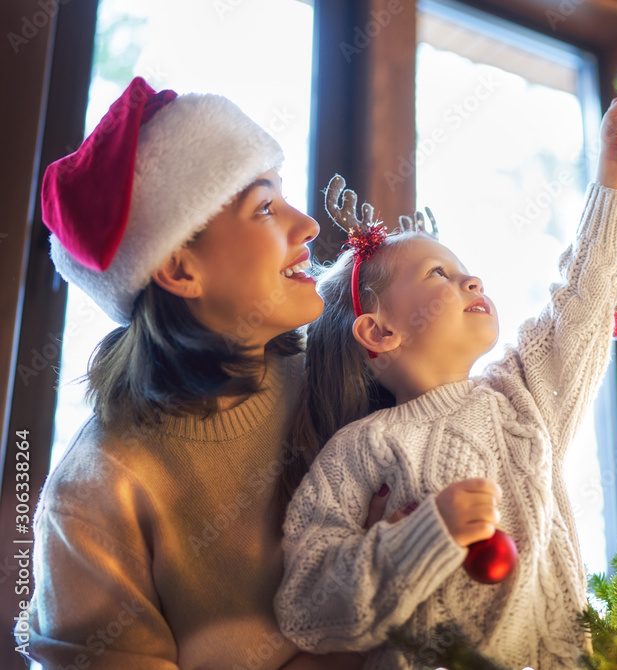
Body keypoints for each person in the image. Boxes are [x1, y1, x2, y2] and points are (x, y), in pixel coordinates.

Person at [274, 95, 617, 669]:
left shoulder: (521, 395)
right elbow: (305, 604)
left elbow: (582, 303)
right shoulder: (362, 447)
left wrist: (614, 173)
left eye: (464, 266)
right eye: (439, 273)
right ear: (380, 332)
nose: (472, 278)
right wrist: (424, 536)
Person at [23, 76, 375, 669]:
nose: (309, 225)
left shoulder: (339, 374)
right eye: (265, 207)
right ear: (181, 269)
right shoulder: (92, 497)